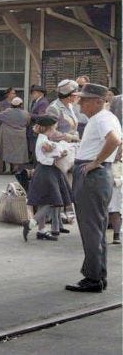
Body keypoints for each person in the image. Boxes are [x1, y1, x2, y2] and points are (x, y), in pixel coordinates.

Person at [63, 83, 121, 293]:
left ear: (99, 101)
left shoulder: (102, 118)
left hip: (92, 175)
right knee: (94, 228)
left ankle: (93, 278)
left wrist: (96, 162)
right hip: (97, 174)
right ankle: (97, 275)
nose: (80, 103)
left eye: (84, 100)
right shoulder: (106, 118)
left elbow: (114, 141)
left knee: (91, 229)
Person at [21, 116, 73, 241]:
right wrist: (58, 156)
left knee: (43, 201)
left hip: (46, 171)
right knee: (52, 201)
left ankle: (41, 230)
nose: (56, 129)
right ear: (49, 128)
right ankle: (32, 222)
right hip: (47, 171)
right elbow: (43, 158)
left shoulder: (43, 139)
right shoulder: (43, 141)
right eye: (54, 127)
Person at [0, 97, 30, 172]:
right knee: (18, 151)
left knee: (7, 151)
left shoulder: (7, 111)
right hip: (20, 135)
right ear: (21, 105)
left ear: (12, 105)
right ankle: (16, 167)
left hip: (8, 134)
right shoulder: (25, 113)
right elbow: (27, 123)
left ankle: (8, 168)